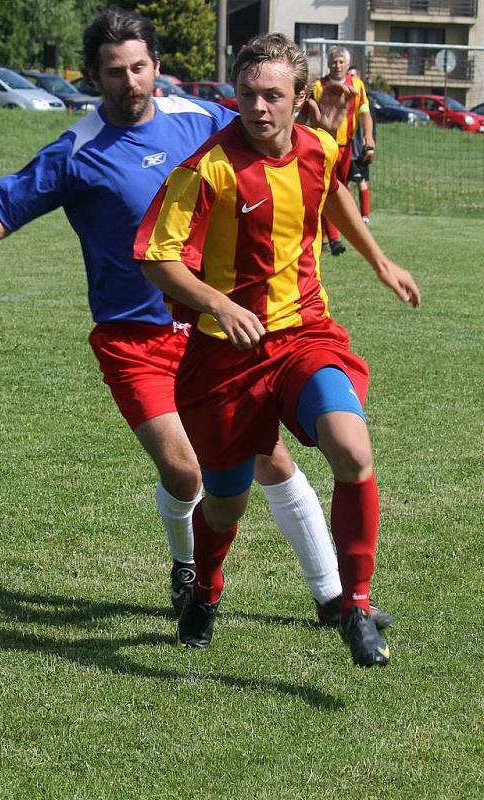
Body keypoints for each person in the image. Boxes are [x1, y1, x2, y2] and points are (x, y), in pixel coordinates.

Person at [0, 7, 391, 631]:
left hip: (210, 334)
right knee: (186, 467)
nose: (130, 82)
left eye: (140, 67)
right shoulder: (76, 152)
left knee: (269, 458)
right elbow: (2, 212)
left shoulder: (202, 121)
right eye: (115, 71)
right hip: (133, 335)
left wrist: (313, 122)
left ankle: (333, 597)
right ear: (92, 77)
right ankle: (188, 573)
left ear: (157, 68)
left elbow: (273, 138)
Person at [137, 33, 420, 666]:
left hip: (304, 336)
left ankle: (355, 604)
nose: (258, 107)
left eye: (272, 95)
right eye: (247, 94)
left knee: (351, 447)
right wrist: (219, 303)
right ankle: (206, 591)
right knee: (227, 498)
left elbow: (333, 196)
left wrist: (379, 260)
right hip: (225, 359)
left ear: (300, 98)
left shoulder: (319, 147)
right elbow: (157, 257)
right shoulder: (207, 168)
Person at [312, 47, 374, 255]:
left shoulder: (357, 85)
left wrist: (369, 137)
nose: (337, 65)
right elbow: (307, 114)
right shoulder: (319, 86)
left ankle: (328, 237)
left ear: (347, 65)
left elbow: (364, 113)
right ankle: (334, 239)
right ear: (328, 64)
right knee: (326, 189)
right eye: (334, 62)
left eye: (340, 62)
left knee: (340, 189)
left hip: (346, 148)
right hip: (323, 145)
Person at [347, 68, 375, 225]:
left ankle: (364, 216)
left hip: (357, 152)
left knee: (360, 180)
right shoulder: (342, 101)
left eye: (353, 75)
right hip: (343, 150)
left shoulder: (364, 103)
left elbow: (371, 126)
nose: (350, 78)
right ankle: (349, 215)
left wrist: (369, 146)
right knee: (342, 185)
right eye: (348, 75)